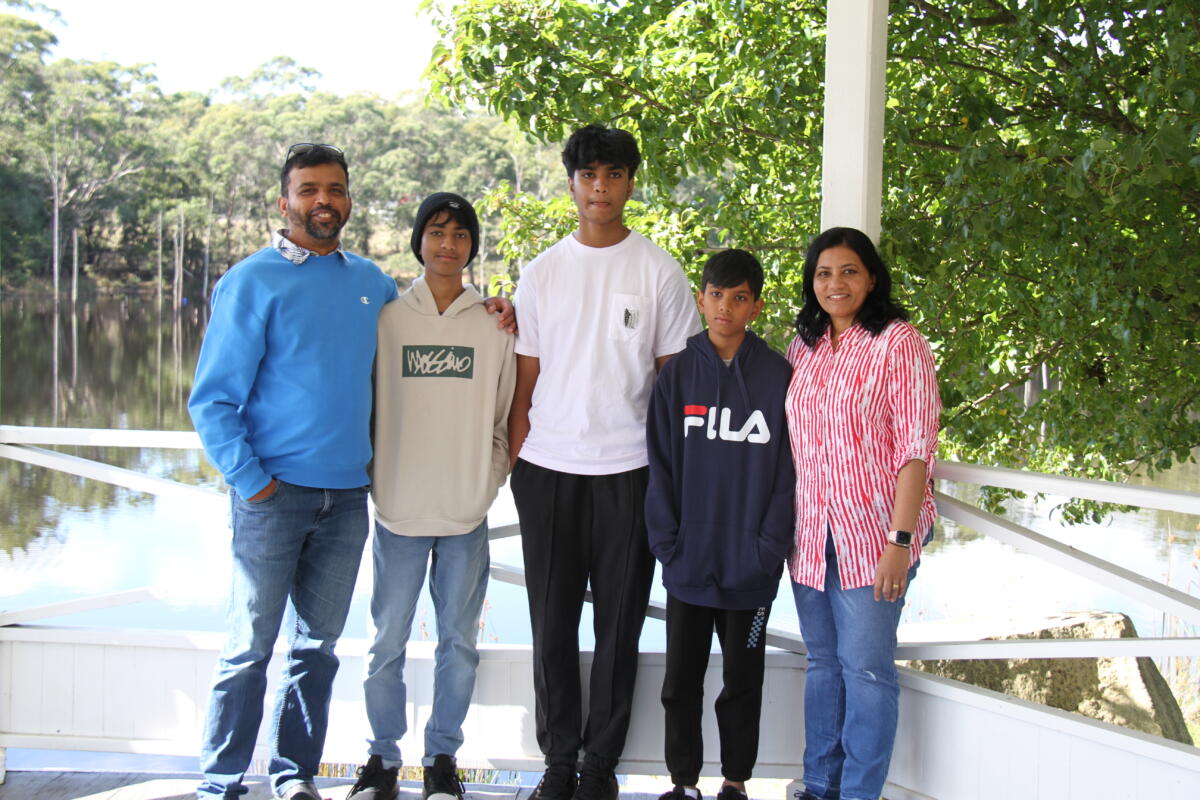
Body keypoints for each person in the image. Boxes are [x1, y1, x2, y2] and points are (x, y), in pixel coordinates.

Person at [189, 145, 513, 800]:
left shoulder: (371, 286)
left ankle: (293, 776)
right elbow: (212, 401)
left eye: (334, 189)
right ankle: (220, 785)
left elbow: (437, 341)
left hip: (345, 499)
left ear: (349, 201)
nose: (323, 200)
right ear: (284, 201)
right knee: (249, 647)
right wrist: (251, 480)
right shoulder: (251, 281)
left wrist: (500, 309)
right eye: (309, 189)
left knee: (316, 648)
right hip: (272, 494)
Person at [508, 124, 701, 800]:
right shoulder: (542, 271)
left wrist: (674, 482)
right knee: (551, 623)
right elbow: (524, 382)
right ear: (571, 183)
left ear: (629, 183)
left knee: (619, 626)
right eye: (588, 174)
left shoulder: (658, 270)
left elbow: (675, 386)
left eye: (613, 174)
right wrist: (516, 465)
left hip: (631, 472)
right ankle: (559, 762)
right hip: (547, 469)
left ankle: (599, 766)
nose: (600, 187)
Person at [345, 192, 516, 800]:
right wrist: (378, 477)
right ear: (419, 241)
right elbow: (363, 405)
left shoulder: (494, 325)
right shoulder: (388, 320)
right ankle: (381, 759)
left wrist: (487, 479)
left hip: (465, 512)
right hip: (398, 510)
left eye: (461, 234)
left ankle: (442, 759)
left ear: (472, 246)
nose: (448, 244)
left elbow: (503, 417)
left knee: (459, 644)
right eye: (437, 232)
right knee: (385, 643)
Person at [784, 227, 940, 800]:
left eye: (849, 271)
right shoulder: (803, 346)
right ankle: (819, 785)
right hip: (810, 536)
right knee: (823, 664)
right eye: (823, 273)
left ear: (871, 278)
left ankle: (857, 793)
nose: (836, 283)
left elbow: (916, 449)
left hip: (873, 537)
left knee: (867, 670)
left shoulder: (899, 343)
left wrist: (899, 541)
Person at [644, 249, 795, 800]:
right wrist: (668, 542)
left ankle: (735, 781)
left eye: (738, 297)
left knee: (742, 683)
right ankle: (683, 783)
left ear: (756, 306)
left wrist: (768, 549)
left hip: (751, 572)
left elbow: (789, 472)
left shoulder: (778, 377)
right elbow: (660, 463)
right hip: (689, 564)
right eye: (715, 295)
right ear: (700, 299)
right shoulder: (678, 376)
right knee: (680, 683)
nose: (725, 306)